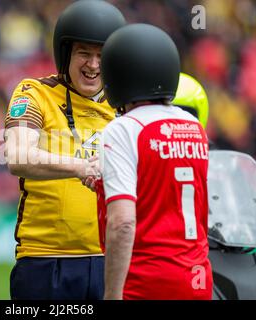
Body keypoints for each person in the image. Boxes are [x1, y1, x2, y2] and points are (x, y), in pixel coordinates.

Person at [4, 0, 126, 300]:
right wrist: (82, 167)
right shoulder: (34, 92)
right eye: (84, 53)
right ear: (65, 53)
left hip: (112, 260)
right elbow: (18, 156)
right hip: (44, 261)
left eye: (101, 55)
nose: (93, 64)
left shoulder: (126, 105)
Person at [99, 23, 213, 300]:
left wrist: (113, 295)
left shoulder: (124, 128)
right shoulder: (194, 126)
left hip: (147, 282)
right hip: (197, 278)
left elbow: (123, 223)